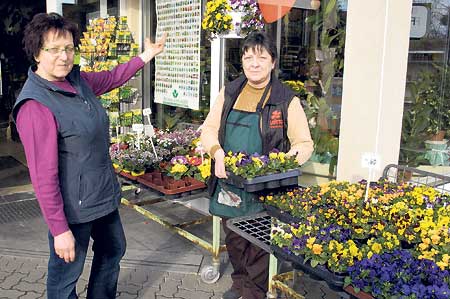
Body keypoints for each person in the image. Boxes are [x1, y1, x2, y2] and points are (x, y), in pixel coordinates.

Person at [12, 12, 166, 299]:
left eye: (69, 48)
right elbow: (43, 176)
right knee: (64, 278)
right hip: (73, 209)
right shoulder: (36, 106)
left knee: (113, 249)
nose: (64, 56)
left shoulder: (77, 81)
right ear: (36, 53)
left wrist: (146, 56)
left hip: (101, 196)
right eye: (53, 49)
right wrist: (59, 230)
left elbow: (111, 78)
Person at [200, 31, 313, 299]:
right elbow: (209, 129)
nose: (254, 63)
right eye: (248, 57)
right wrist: (216, 153)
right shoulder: (229, 92)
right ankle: (239, 282)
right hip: (230, 182)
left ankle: (254, 290)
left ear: (273, 62)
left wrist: (279, 165)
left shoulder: (286, 99)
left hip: (266, 185)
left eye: (261, 57)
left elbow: (303, 144)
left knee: (260, 240)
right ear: (242, 61)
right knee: (235, 237)